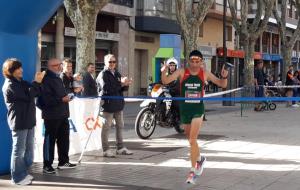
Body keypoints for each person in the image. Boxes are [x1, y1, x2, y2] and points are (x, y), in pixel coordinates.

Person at [161, 50, 228, 184]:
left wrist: (224, 76)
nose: (195, 63)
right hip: (185, 110)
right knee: (191, 141)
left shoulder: (205, 73)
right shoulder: (181, 72)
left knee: (192, 139)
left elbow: (222, 84)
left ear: (201, 61)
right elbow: (166, 80)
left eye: (198, 61)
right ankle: (200, 159)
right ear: (188, 61)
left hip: (198, 110)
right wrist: (164, 70)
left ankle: (192, 172)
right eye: (192, 60)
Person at [2, 58, 45, 185]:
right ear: (10, 71)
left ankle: (23, 172)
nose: (21, 70)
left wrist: (37, 83)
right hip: (19, 122)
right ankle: (17, 177)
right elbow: (28, 96)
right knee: (18, 151)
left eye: (20, 67)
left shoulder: (22, 82)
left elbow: (36, 92)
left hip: (29, 121)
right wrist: (36, 83)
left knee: (28, 151)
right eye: (17, 68)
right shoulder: (9, 85)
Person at [39, 58, 76, 174]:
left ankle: (63, 161)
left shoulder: (57, 77)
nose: (61, 66)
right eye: (58, 64)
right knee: (50, 141)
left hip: (62, 114)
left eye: (60, 64)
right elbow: (45, 99)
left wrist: (68, 96)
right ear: (51, 66)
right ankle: (47, 165)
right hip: (52, 116)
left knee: (64, 139)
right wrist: (61, 99)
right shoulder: (46, 79)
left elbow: (60, 94)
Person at [96, 54, 133, 157]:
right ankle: (106, 149)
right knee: (106, 128)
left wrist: (126, 85)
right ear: (105, 63)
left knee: (120, 126)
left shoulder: (117, 73)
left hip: (118, 104)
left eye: (114, 61)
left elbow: (120, 89)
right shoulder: (103, 74)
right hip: (107, 105)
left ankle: (120, 147)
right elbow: (107, 89)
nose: (112, 64)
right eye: (110, 62)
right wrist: (120, 84)